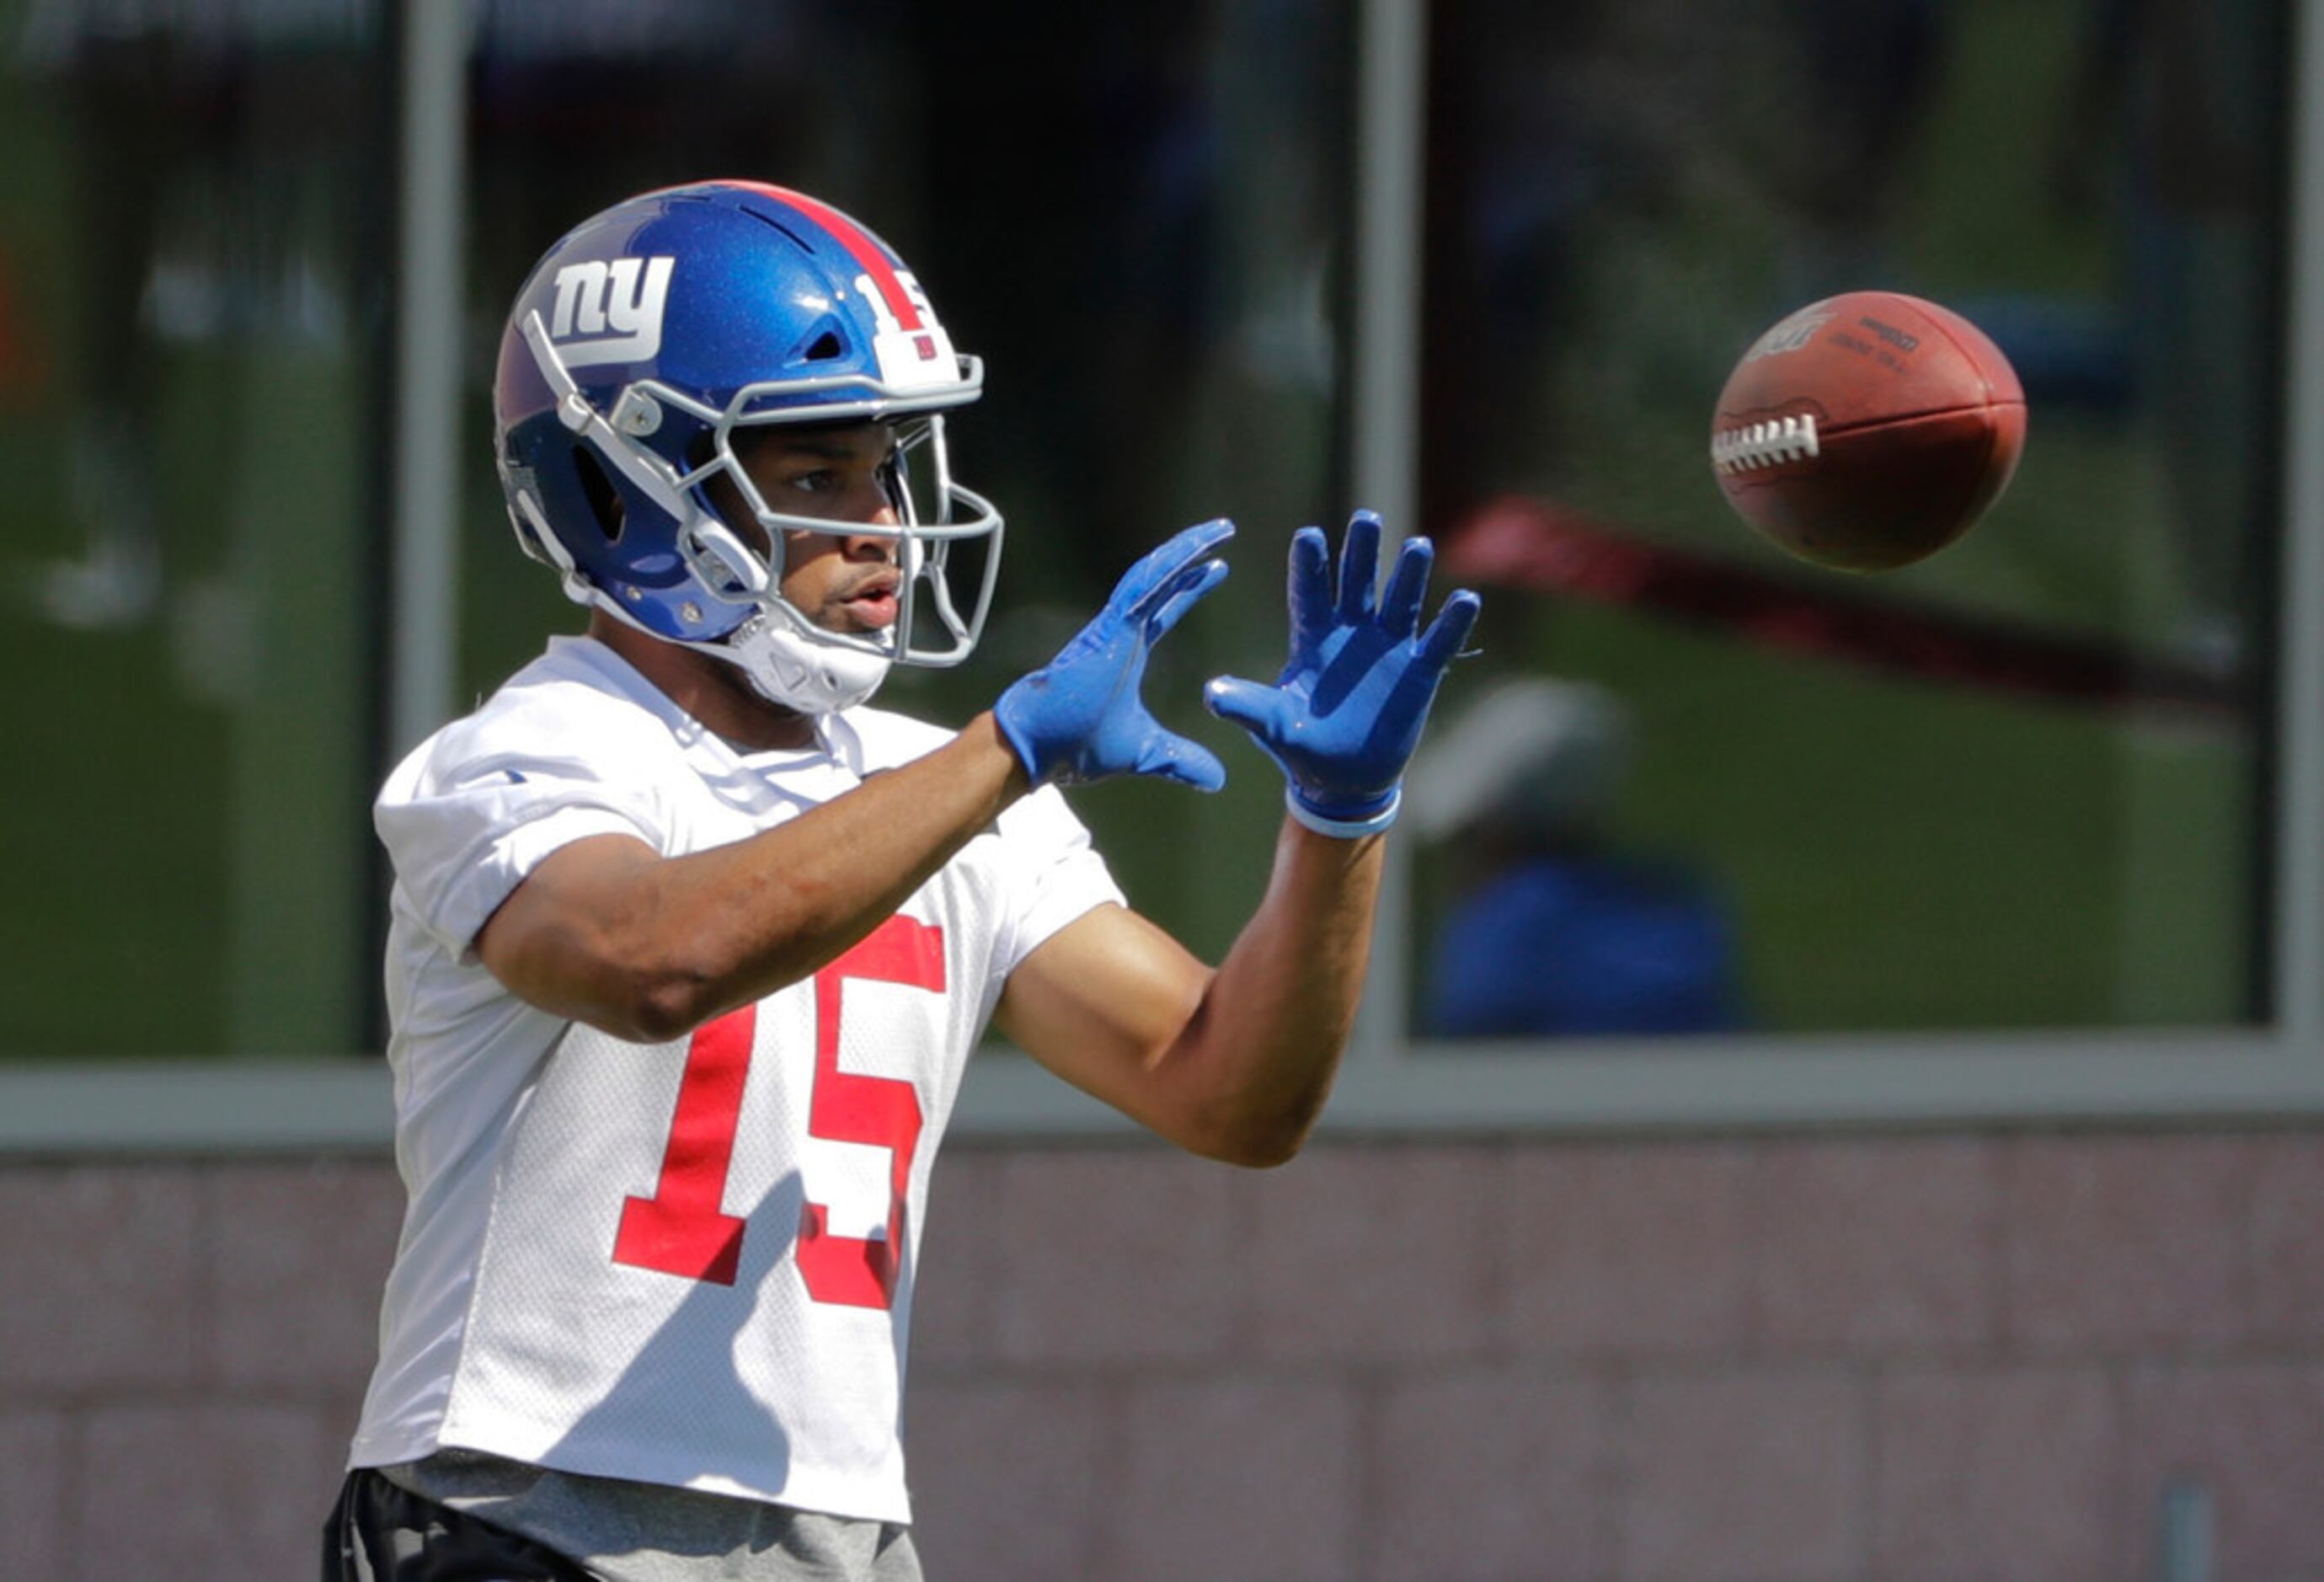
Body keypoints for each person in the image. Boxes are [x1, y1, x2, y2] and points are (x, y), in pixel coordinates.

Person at [323, 179, 1478, 1581]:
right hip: (522, 1509)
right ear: (619, 485)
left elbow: (1229, 1089)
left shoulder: (943, 781)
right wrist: (1009, 748)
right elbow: (649, 961)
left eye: (886, 466)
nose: (881, 522)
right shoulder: (521, 754)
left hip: (837, 1529)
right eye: (814, 474)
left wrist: (1336, 822)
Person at [1409, 677, 1744, 1038]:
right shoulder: (1677, 904)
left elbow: (1462, 1039)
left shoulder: (1508, 929)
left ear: (1495, 833)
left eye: (1463, 841)